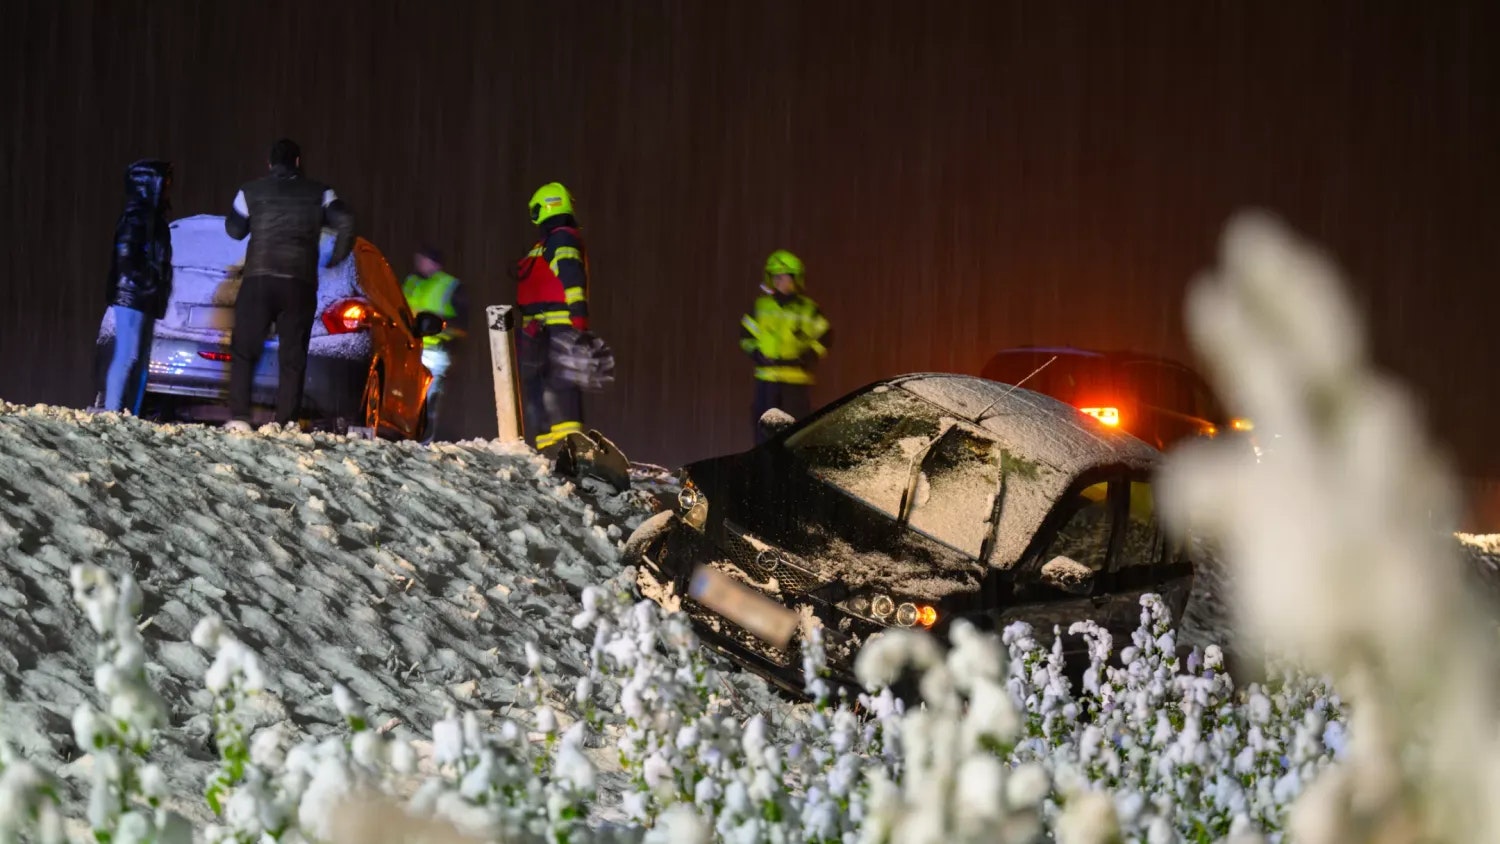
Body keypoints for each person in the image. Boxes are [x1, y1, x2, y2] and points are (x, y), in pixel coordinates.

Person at [223, 138, 354, 432]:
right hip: (299, 283)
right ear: (298, 162)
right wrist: (336, 256)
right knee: (293, 357)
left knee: (245, 350)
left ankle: (240, 418)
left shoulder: (250, 191)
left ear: (269, 164)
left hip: (258, 279)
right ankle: (285, 422)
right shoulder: (320, 192)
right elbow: (346, 220)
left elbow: (233, 230)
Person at [512, 181, 590, 454]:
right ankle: (547, 442)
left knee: (563, 380)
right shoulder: (547, 242)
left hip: (558, 324)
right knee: (537, 381)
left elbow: (571, 277)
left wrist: (578, 315)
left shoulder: (561, 239)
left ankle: (570, 443)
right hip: (538, 326)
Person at [100, 159, 174, 415]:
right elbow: (126, 256)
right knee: (128, 356)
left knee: (141, 362)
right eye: (164, 182)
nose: (169, 187)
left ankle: (131, 413)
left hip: (146, 297)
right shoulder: (136, 217)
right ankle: (113, 412)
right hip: (132, 296)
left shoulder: (154, 219)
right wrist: (150, 281)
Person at [740, 249, 831, 443]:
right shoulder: (761, 307)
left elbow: (825, 336)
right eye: (777, 278)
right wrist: (756, 353)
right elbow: (746, 335)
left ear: (796, 279)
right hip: (767, 382)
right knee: (764, 433)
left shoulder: (808, 309)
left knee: (796, 436)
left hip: (796, 383)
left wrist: (809, 356)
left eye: (785, 277)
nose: (781, 282)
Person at [402, 245, 467, 443]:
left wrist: (441, 326)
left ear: (435, 263)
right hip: (408, 349)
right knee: (404, 399)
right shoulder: (411, 283)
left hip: (434, 352)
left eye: (423, 259)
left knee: (427, 401)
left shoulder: (451, 285)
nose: (419, 263)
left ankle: (422, 442)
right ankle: (401, 438)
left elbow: (462, 324)